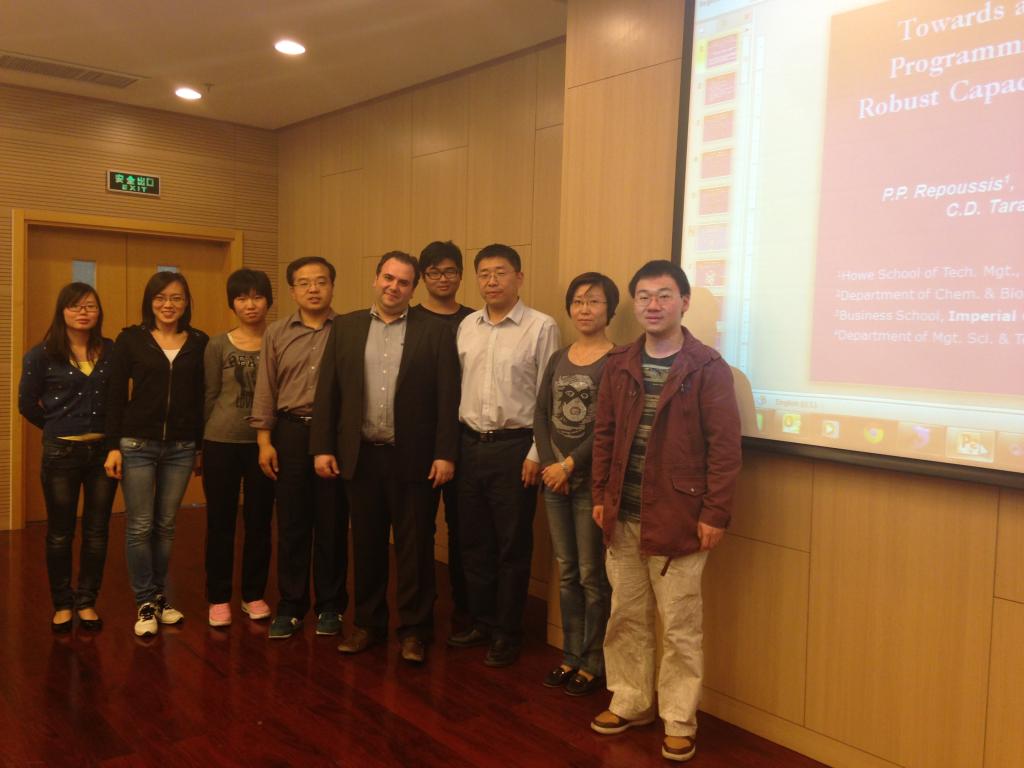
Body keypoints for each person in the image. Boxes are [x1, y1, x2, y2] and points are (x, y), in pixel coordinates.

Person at [588, 260, 741, 763]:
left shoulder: (707, 367)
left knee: (679, 627)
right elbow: (604, 435)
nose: (653, 305)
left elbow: (725, 449)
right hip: (623, 515)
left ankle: (679, 718)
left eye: (664, 295)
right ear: (635, 304)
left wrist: (715, 513)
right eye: (644, 296)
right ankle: (631, 701)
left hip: (681, 518)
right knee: (625, 616)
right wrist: (599, 496)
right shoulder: (619, 362)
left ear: (684, 302)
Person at [312, 251, 460, 664]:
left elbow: (448, 397)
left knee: (415, 548)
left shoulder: (435, 331)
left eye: (404, 282)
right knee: (367, 545)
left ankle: (414, 631)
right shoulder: (346, 327)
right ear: (376, 279)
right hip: (360, 457)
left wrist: (445, 453)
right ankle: (368, 625)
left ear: (414, 289)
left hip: (413, 458)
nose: (394, 287)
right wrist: (323, 446)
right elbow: (328, 392)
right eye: (389, 278)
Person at [447, 243, 560, 667]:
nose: (491, 281)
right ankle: (482, 621)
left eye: (501, 272)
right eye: (484, 274)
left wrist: (537, 452)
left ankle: (507, 632)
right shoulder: (467, 326)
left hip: (516, 448)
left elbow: (549, 397)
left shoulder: (541, 327)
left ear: (519, 278)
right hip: (469, 445)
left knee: (511, 545)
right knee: (473, 542)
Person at [104, 271, 208, 637]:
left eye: (176, 298)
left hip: (181, 447)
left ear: (186, 303)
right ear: (150, 302)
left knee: (165, 525)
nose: (168, 304)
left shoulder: (199, 341)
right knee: (140, 525)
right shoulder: (130, 339)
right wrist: (112, 446)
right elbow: (115, 395)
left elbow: (203, 398)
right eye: (161, 297)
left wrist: (200, 446)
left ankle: (161, 597)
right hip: (137, 445)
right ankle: (145, 600)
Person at [249, 256, 348, 640]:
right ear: (292, 291)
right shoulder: (276, 333)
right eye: (304, 283)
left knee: (332, 522)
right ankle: (291, 605)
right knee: (291, 523)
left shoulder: (349, 330)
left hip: (333, 437)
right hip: (289, 433)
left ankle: (331, 606)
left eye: (321, 281)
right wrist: (264, 440)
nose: (313, 289)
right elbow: (266, 388)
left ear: (332, 286)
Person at [534, 272, 618, 696]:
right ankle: (569, 655)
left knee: (591, 576)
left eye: (594, 301)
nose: (585, 309)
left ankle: (593, 662)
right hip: (555, 482)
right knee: (566, 571)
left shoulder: (617, 361)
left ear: (610, 310)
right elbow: (540, 413)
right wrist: (551, 465)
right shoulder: (558, 357)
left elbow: (608, 426)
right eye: (578, 301)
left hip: (589, 484)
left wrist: (568, 466)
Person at [18, 283, 118, 632]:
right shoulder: (42, 355)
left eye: (90, 305)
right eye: (75, 306)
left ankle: (87, 601)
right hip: (61, 452)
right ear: (62, 311)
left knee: (97, 531)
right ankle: (62, 604)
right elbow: (26, 404)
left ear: (99, 312)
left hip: (104, 453)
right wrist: (56, 426)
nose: (83, 312)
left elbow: (118, 400)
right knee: (60, 532)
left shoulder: (110, 350)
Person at [202, 269, 276, 627]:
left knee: (260, 522)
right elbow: (210, 395)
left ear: (268, 301)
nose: (250, 304)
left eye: (257, 296)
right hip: (221, 441)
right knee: (220, 522)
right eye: (242, 297)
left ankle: (253, 594)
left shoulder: (278, 341)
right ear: (232, 303)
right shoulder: (217, 344)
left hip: (265, 445)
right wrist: (201, 446)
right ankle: (218, 598)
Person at [411, 240, 474, 627]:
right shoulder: (410, 319)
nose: (442, 278)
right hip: (420, 439)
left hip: (465, 438)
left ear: (461, 276)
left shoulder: (475, 320)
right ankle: (421, 612)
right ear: (422, 277)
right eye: (434, 272)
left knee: (463, 528)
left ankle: (465, 608)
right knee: (419, 528)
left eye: (450, 271)